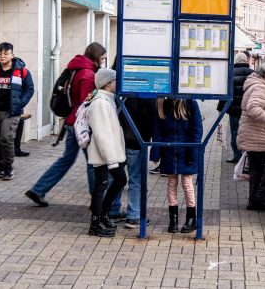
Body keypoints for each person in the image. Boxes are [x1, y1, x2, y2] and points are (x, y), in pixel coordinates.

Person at [25, 42, 106, 207]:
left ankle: (38, 189)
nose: (103, 62)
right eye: (102, 58)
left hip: (70, 122)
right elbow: (87, 104)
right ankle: (98, 202)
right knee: (93, 162)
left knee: (66, 159)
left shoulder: (75, 67)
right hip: (81, 125)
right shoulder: (88, 74)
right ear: (95, 56)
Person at [0, 42, 34, 180]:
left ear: (12, 55)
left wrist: (20, 104)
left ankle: (9, 167)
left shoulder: (22, 71)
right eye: (0, 53)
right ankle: (1, 166)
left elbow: (29, 90)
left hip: (12, 112)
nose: (2, 56)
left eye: (6, 53)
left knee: (6, 137)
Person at [86, 68, 127, 237]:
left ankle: (102, 215)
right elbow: (103, 133)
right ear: (108, 83)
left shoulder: (107, 100)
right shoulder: (100, 103)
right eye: (116, 80)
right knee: (103, 184)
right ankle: (96, 221)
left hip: (109, 153)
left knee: (109, 182)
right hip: (104, 154)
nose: (119, 83)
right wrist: (111, 159)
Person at [152, 98, 203, 233]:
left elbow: (197, 130)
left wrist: (193, 152)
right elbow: (157, 131)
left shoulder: (190, 103)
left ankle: (191, 218)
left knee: (187, 183)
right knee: (171, 183)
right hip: (169, 150)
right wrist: (156, 153)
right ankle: (173, 219)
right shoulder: (162, 103)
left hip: (186, 150)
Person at [237, 62, 265, 211]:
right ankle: (261, 192)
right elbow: (253, 108)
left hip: (253, 134)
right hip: (258, 135)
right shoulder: (261, 88)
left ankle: (254, 201)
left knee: (257, 168)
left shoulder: (259, 85)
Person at [116, 96, 155, 229]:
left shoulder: (122, 92)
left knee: (115, 177)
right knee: (136, 180)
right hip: (137, 143)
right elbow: (150, 122)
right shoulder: (147, 97)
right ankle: (133, 216)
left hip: (119, 142)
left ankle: (113, 210)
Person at [217, 52, 254, 163]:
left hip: (234, 110)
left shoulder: (230, 73)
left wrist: (221, 107)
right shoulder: (253, 74)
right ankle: (248, 156)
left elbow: (225, 92)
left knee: (235, 132)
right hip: (249, 109)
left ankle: (237, 155)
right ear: (246, 60)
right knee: (249, 132)